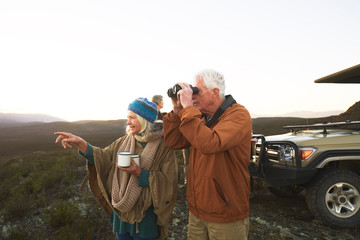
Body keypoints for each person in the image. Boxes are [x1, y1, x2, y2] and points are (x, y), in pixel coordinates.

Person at [54, 97, 178, 240]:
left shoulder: (164, 147)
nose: (128, 122)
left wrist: (139, 173)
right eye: (128, 117)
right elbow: (104, 157)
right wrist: (82, 144)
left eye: (132, 117)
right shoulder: (124, 142)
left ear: (144, 119)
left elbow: (169, 182)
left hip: (145, 218)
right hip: (122, 214)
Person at [163, 69, 252, 240]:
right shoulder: (201, 118)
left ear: (215, 93)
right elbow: (174, 141)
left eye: (197, 91)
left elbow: (211, 143)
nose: (193, 96)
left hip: (225, 213)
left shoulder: (238, 115)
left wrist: (188, 108)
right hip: (197, 211)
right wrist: (176, 109)